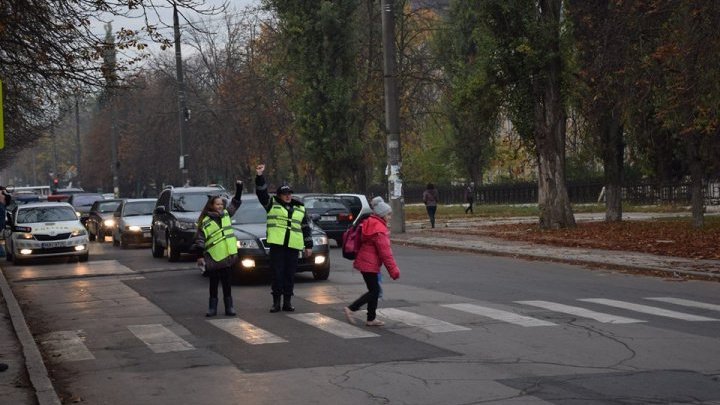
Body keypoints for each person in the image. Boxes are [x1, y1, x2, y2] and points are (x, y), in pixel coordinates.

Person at [255, 164, 313, 313]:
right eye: (285, 193)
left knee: (289, 275)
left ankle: (287, 302)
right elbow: (261, 193)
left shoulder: (300, 208)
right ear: (279, 195)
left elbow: (306, 227)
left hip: (293, 246)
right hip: (277, 246)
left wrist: (308, 246)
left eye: (289, 193)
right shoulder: (271, 204)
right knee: (277, 274)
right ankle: (276, 303)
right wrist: (260, 176)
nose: (288, 196)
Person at [343, 201, 400, 326]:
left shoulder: (370, 222)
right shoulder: (379, 229)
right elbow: (386, 253)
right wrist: (394, 270)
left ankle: (371, 318)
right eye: (388, 215)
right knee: (374, 291)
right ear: (382, 215)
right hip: (369, 263)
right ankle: (351, 308)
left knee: (373, 290)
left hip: (365, 262)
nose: (390, 217)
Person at [195, 181, 243, 317]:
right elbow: (199, 240)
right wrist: (199, 256)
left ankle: (229, 307)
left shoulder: (227, 214)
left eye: (222, 204)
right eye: (217, 204)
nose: (220, 207)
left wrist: (239, 188)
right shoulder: (204, 221)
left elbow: (236, 203)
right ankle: (212, 308)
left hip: (227, 256)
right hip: (213, 257)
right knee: (213, 284)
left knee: (227, 283)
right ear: (211, 206)